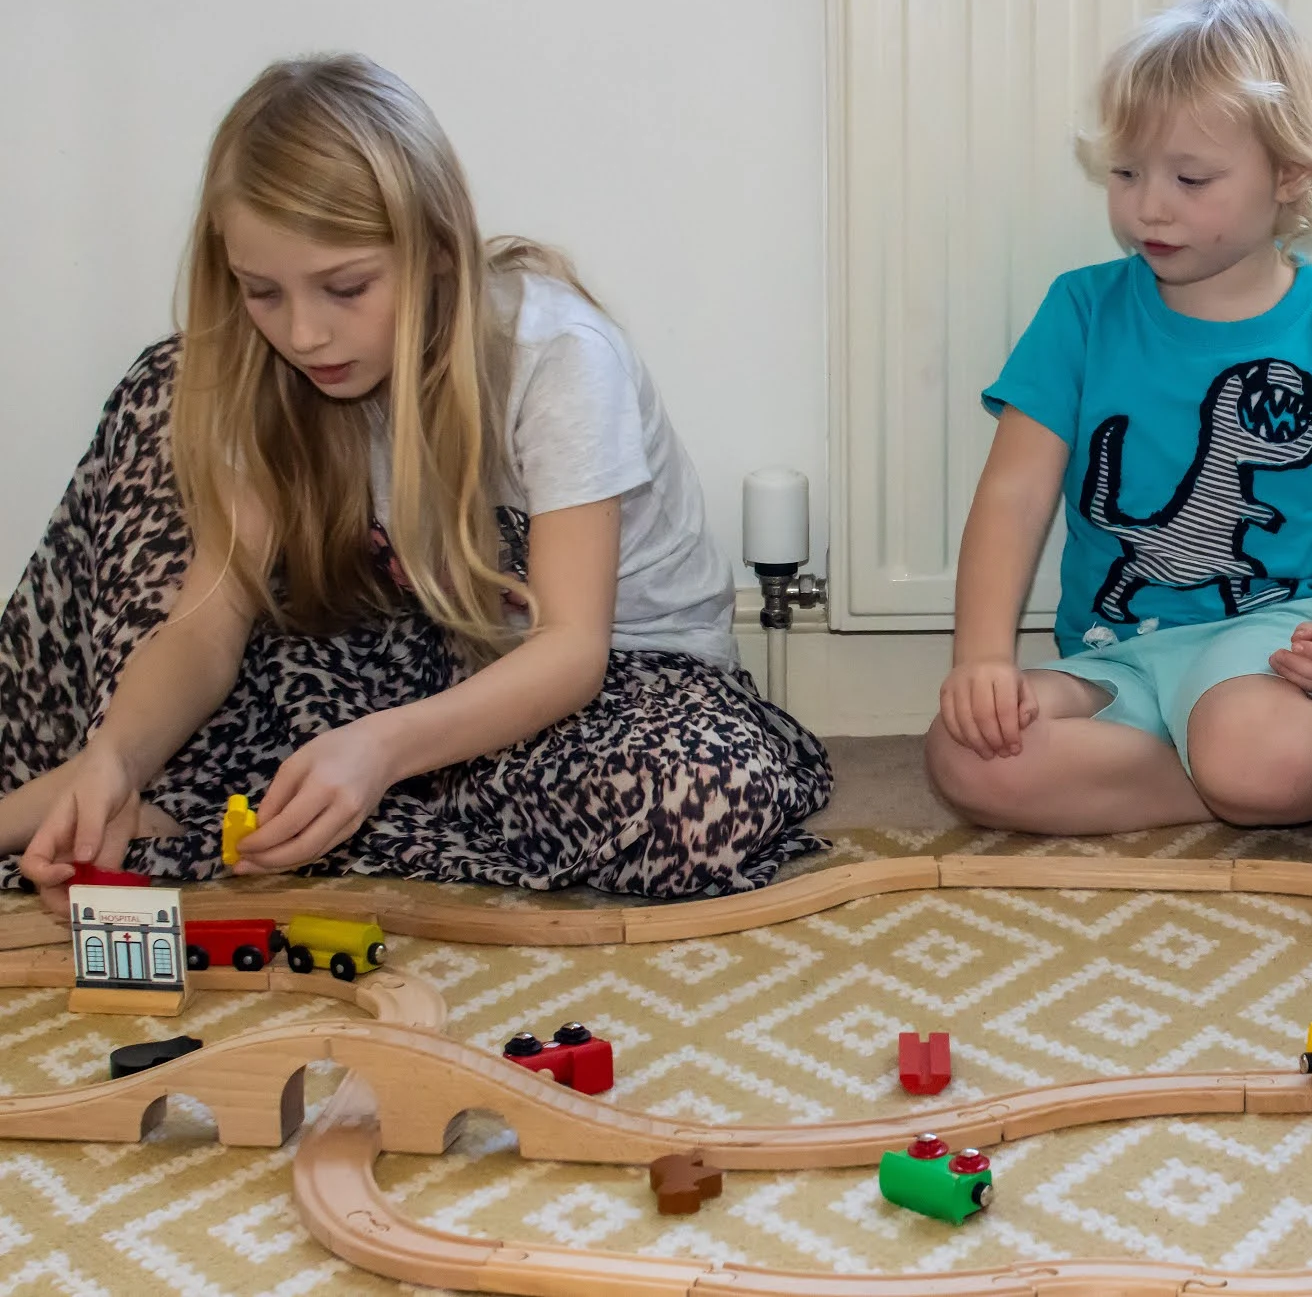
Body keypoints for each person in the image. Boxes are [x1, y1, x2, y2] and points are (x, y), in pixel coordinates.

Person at [0, 54, 831, 904]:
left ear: (434, 248)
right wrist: (116, 754)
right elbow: (206, 628)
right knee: (171, 382)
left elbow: (569, 651)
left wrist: (380, 751)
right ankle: (127, 790)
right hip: (412, 657)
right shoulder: (264, 366)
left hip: (620, 679)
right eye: (262, 291)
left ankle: (231, 807)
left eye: (345, 287)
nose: (305, 332)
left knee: (698, 806)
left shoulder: (556, 357)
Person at [925, 0, 1312, 835]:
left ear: (1290, 176)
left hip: (1269, 650)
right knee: (963, 754)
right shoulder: (1080, 312)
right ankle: (1244, 784)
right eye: (1128, 172)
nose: (1150, 206)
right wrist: (982, 658)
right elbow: (1014, 496)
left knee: (1247, 740)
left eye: (1191, 177)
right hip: (1117, 657)